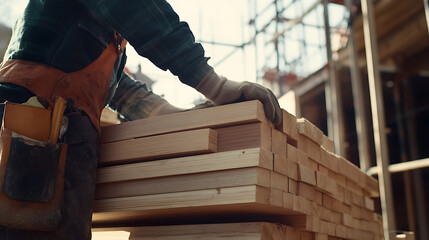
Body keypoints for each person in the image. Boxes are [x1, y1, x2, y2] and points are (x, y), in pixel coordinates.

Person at [0, 0, 282, 239]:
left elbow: (110, 86)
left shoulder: (82, 28)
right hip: (39, 125)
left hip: (40, 119)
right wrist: (213, 84)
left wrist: (168, 115)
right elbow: (141, 12)